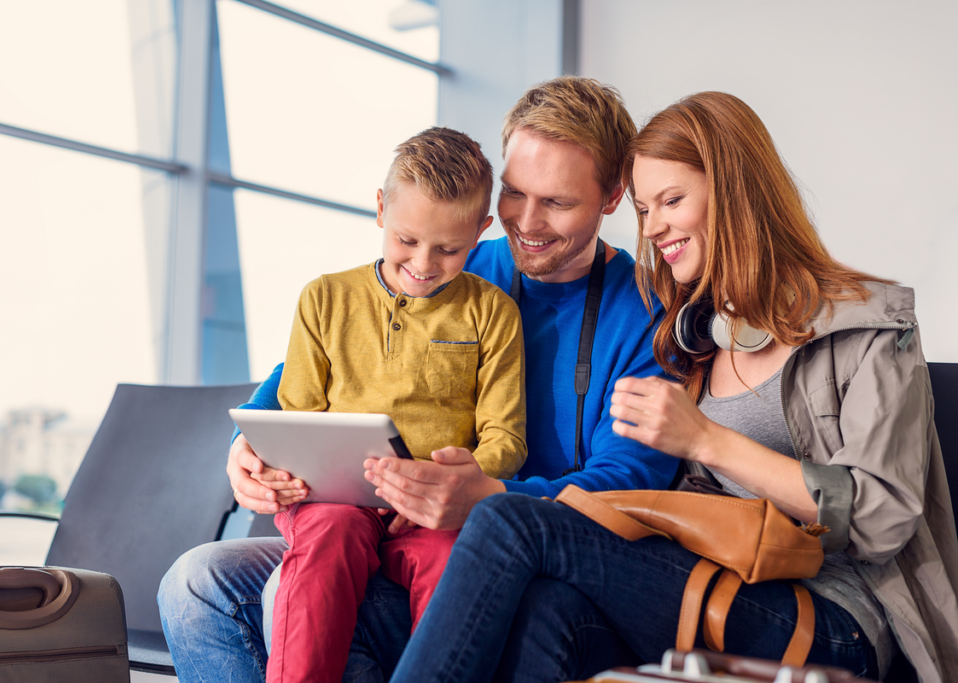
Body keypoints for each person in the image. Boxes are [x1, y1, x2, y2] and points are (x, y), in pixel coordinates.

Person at [385, 92, 958, 683]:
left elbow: (885, 516)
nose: (652, 226)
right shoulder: (693, 328)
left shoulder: (868, 329)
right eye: (643, 208)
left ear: (734, 193)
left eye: (672, 201)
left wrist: (707, 441)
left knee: (508, 522)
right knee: (543, 612)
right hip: (718, 576)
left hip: (836, 613)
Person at [157, 76, 680, 683]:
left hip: (499, 555)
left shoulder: (646, 315)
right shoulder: (455, 262)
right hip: (365, 519)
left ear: (613, 196)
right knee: (194, 586)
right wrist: (246, 448)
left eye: (558, 203)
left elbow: (630, 483)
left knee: (294, 603)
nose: (527, 224)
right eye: (514, 194)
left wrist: (490, 497)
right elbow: (321, 365)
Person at [257, 126, 528, 683]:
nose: (423, 263)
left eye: (449, 249)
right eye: (407, 240)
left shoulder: (493, 312)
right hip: (333, 501)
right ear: (381, 209)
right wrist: (279, 467)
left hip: (431, 510)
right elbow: (297, 417)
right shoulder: (324, 298)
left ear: (481, 232)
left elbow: (506, 440)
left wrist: (451, 480)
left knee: (456, 560)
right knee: (329, 537)